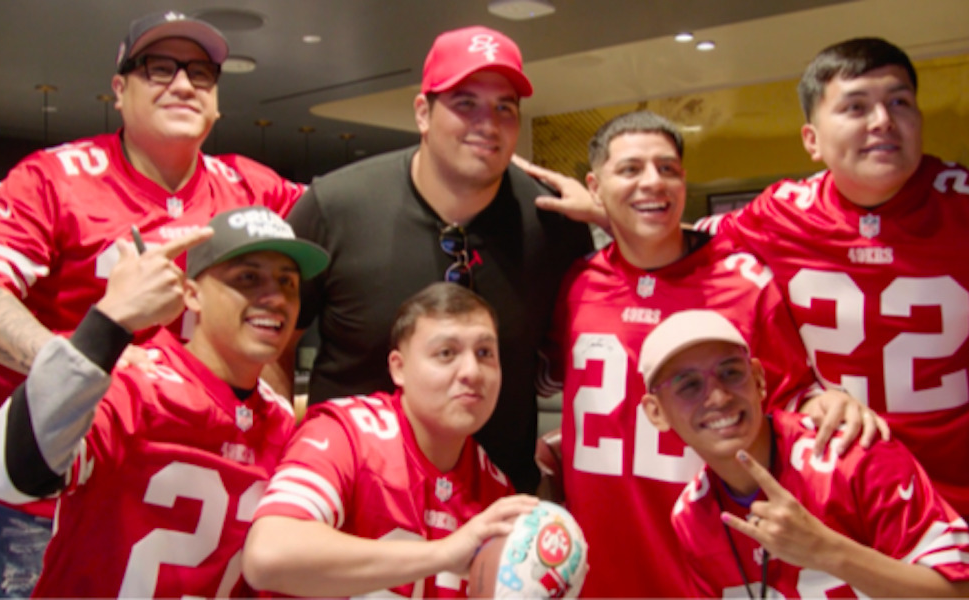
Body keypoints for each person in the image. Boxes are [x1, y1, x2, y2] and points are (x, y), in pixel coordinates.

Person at [0, 10, 304, 596]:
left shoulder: (251, 186)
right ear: (119, 91)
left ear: (218, 101)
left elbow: (357, 215)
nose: (182, 84)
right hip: (51, 468)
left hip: (190, 467)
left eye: (201, 73)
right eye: (158, 68)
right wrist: (89, 371)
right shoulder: (54, 177)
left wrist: (475, 172)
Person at [535, 110, 881, 598]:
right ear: (595, 185)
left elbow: (789, 399)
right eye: (631, 169)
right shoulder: (576, 283)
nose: (653, 182)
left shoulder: (741, 281)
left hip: (717, 562)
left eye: (668, 169)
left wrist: (822, 402)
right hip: (601, 569)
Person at [286, 25, 593, 493]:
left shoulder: (555, 224)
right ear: (423, 113)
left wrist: (614, 218)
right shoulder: (334, 206)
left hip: (496, 510)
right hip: (355, 507)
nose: (487, 123)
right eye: (465, 102)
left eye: (504, 107)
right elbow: (273, 348)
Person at [0, 207, 329, 597]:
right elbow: (11, 474)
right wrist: (111, 320)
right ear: (192, 295)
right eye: (248, 278)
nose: (275, 297)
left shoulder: (278, 418)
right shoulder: (134, 385)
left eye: (288, 283)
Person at [689, 37, 969, 518]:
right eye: (856, 107)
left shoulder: (959, 205)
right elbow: (684, 244)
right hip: (835, 489)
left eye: (900, 102)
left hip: (957, 493)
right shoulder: (780, 211)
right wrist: (606, 213)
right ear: (811, 140)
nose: (883, 120)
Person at [640, 309, 969, 598]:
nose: (717, 397)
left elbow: (960, 591)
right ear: (656, 413)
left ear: (758, 379)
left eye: (730, 373)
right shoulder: (693, 515)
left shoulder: (853, 456)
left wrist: (826, 550)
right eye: (688, 385)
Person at [243, 282, 536, 597]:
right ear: (399, 368)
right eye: (446, 353)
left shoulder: (494, 490)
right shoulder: (346, 434)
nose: (472, 371)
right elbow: (267, 557)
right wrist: (445, 553)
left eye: (485, 353)